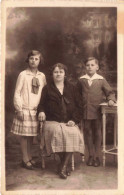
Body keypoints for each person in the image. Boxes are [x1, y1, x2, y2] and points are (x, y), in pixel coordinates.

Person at [38, 63, 84, 179]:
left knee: (72, 133)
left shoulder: (72, 88)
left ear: (65, 74)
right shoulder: (47, 88)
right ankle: (64, 164)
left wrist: (74, 120)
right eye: (56, 72)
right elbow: (41, 105)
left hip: (69, 121)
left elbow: (80, 106)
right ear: (52, 74)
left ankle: (62, 166)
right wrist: (41, 111)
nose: (58, 74)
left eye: (61, 72)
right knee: (56, 133)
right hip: (52, 121)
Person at [11, 50, 46, 170]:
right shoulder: (23, 75)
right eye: (31, 58)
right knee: (25, 136)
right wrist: (19, 109)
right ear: (28, 60)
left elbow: (44, 93)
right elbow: (17, 93)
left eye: (36, 59)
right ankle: (25, 159)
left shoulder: (42, 76)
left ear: (40, 61)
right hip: (25, 109)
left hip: (36, 110)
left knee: (31, 136)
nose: (34, 61)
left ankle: (29, 157)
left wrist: (43, 109)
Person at [78, 57, 116, 167]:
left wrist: (110, 99)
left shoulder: (100, 80)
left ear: (97, 67)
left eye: (92, 65)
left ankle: (97, 157)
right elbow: (76, 95)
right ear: (85, 67)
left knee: (97, 132)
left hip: (97, 110)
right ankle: (91, 155)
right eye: (88, 65)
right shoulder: (81, 80)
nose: (90, 67)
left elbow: (110, 92)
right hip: (85, 110)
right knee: (88, 132)